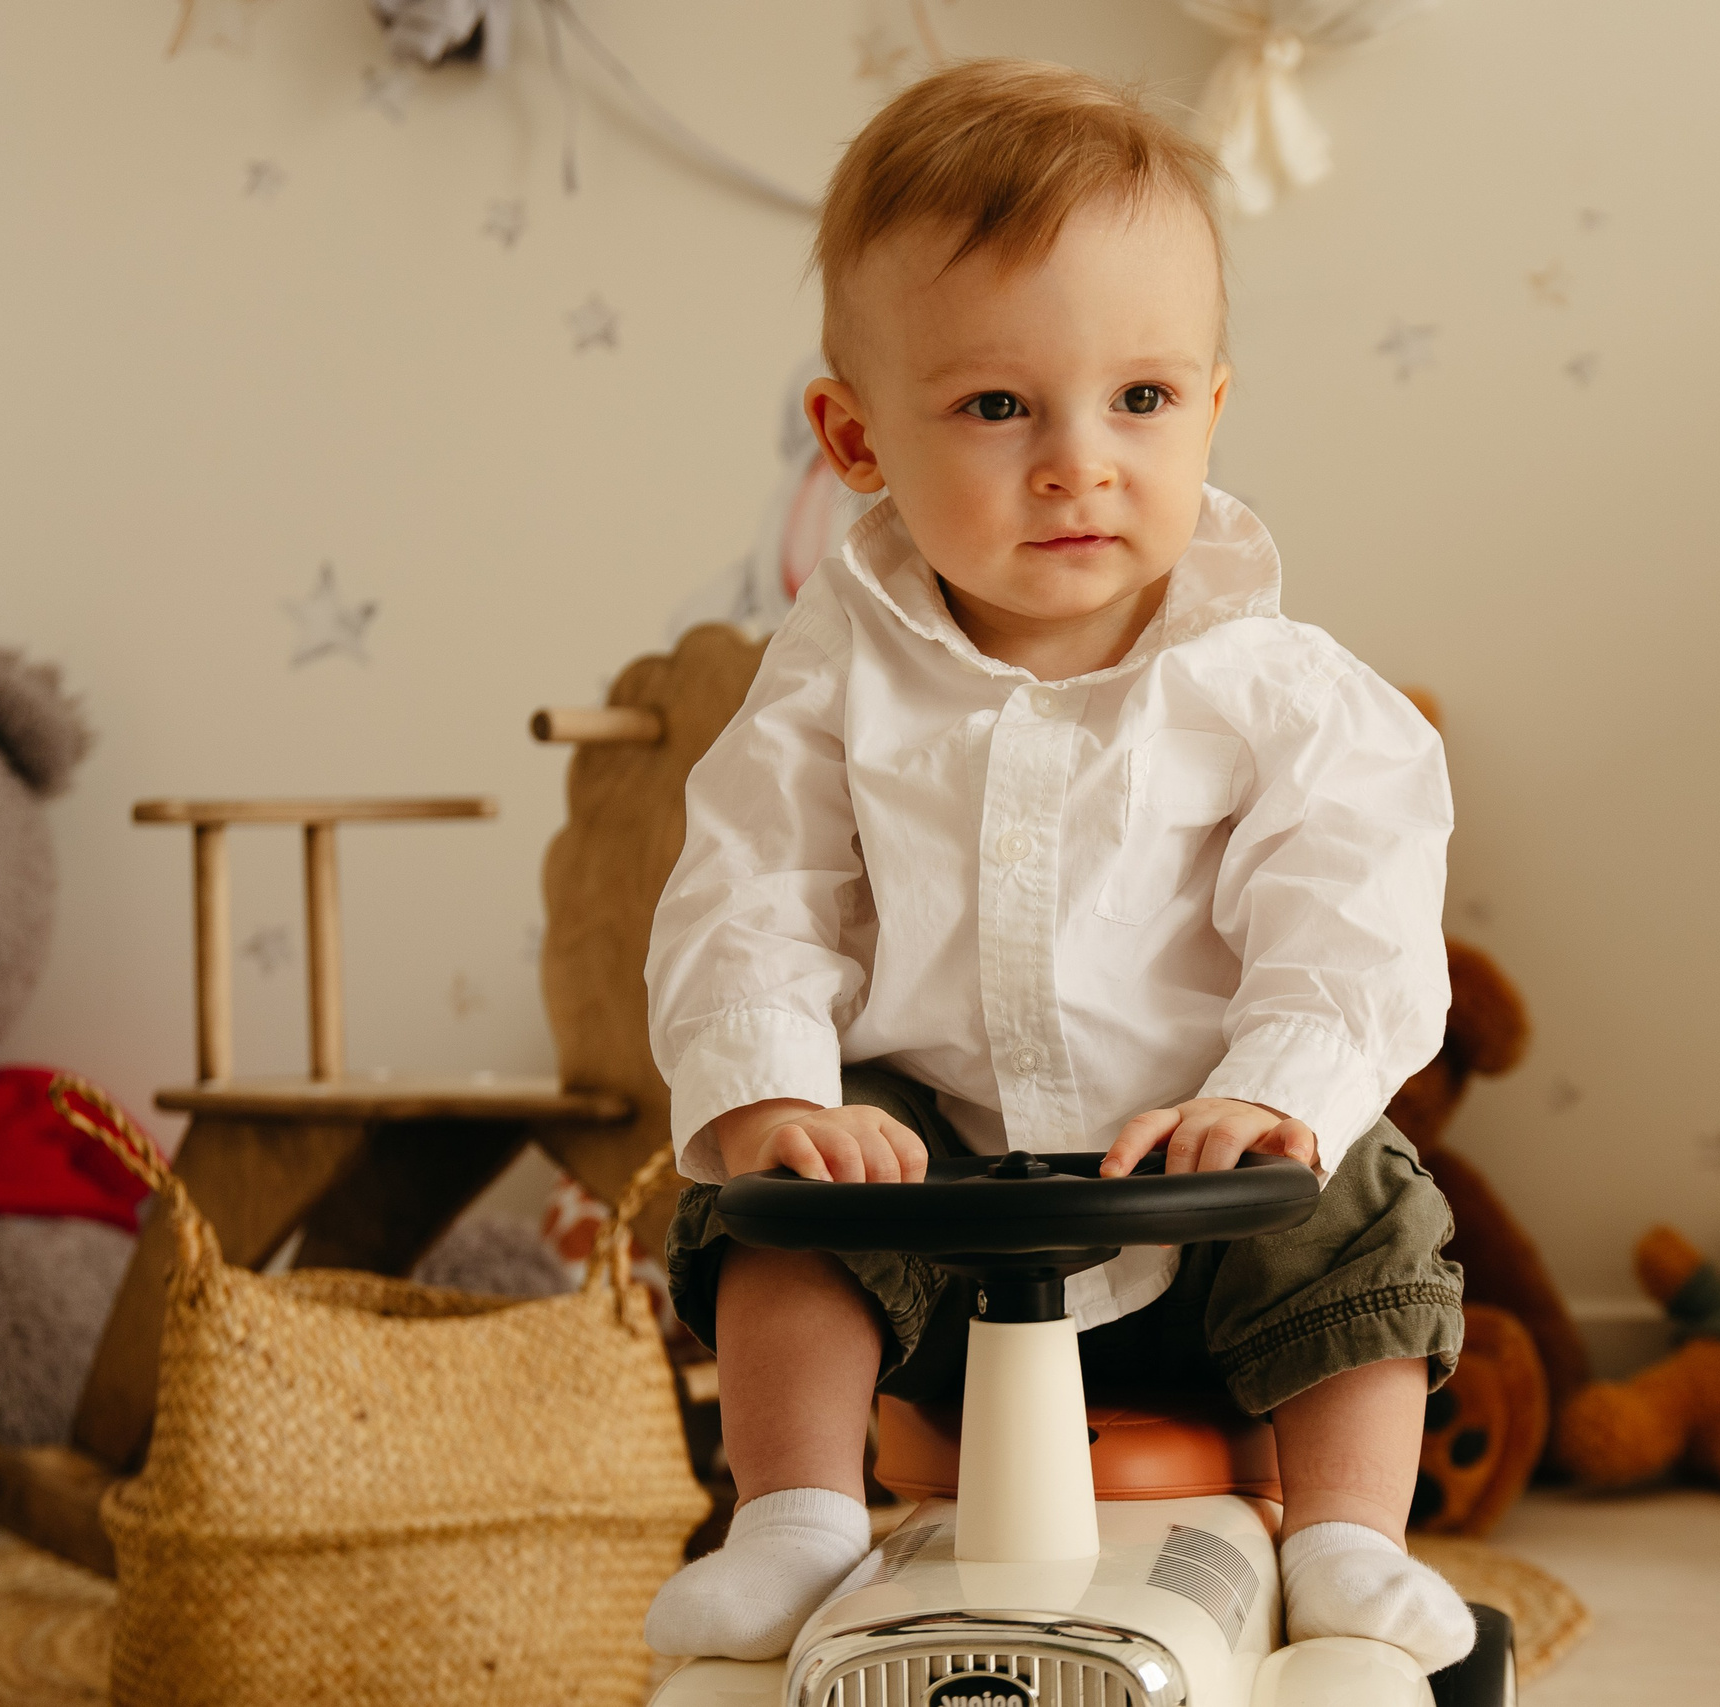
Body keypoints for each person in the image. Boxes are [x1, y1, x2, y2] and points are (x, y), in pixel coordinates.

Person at [640, 58, 1473, 1674]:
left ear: (1213, 407)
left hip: (1212, 1203)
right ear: (857, 437)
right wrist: (774, 1090)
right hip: (933, 1221)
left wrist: (1277, 1088)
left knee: (1366, 1195)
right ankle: (795, 1520)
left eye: (1140, 401)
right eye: (999, 406)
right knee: (783, 1204)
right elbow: (753, 893)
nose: (1079, 461)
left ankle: (1354, 1544)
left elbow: (1356, 911)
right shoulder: (830, 682)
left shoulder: (1275, 688)